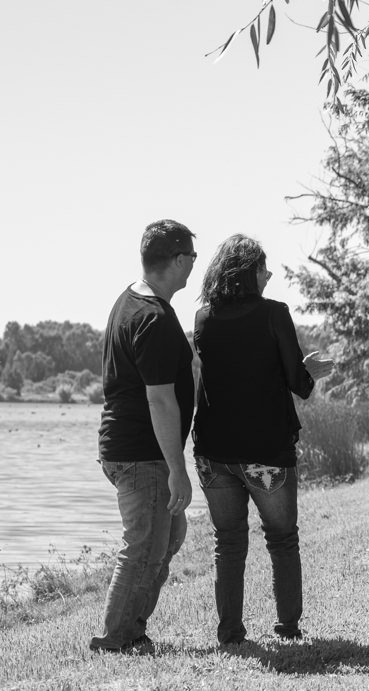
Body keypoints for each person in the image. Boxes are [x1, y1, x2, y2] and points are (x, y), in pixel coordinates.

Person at [192, 235, 334, 645]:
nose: (269, 274)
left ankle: (230, 633)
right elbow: (298, 384)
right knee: (282, 538)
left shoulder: (203, 318)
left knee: (228, 541)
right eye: (263, 267)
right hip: (265, 451)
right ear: (248, 272)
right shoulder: (275, 313)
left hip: (212, 453)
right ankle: (287, 628)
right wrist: (310, 370)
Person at [90, 220, 198, 654]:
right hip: (141, 453)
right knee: (143, 546)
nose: (194, 263)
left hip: (128, 448)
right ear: (176, 260)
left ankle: (132, 630)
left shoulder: (130, 301)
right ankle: (114, 639)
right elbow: (159, 401)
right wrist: (178, 469)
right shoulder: (151, 318)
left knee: (167, 537)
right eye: (191, 255)